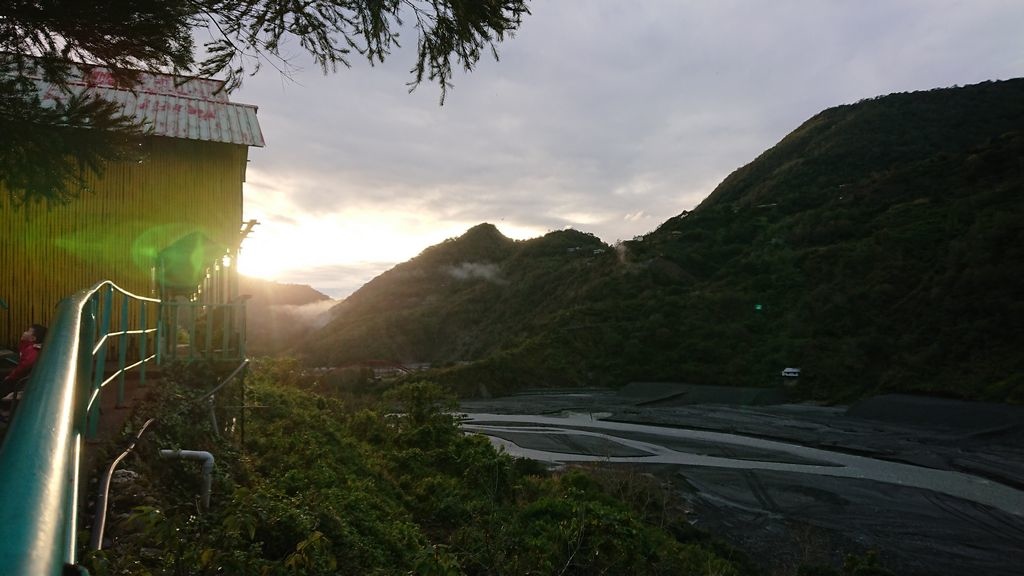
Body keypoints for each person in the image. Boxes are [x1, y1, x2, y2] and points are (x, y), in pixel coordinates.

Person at [0, 324, 47, 401]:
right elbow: (22, 354)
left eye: (28, 331)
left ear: (33, 338)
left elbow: (24, 367)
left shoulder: (33, 350)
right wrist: (23, 341)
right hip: (19, 373)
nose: (25, 332)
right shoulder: (29, 346)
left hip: (20, 379)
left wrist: (10, 376)